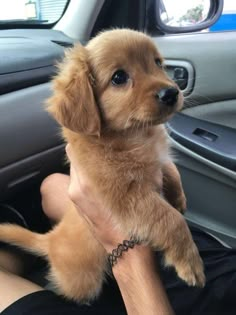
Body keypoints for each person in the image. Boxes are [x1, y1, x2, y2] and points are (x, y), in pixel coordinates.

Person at [0, 144, 235, 315]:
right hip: (220, 277)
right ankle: (34, 255)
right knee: (53, 187)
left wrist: (123, 246)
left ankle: (21, 259)